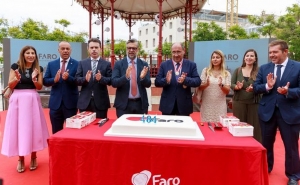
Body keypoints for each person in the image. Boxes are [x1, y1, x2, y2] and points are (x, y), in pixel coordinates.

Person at [253, 40, 300, 185]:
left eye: (275, 52)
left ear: (285, 51)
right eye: (270, 52)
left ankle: (293, 175)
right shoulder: (264, 68)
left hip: (290, 113)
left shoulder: (297, 67)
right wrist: (267, 86)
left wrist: (288, 91)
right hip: (267, 112)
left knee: (291, 146)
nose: (272, 55)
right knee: (266, 143)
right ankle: (266, 167)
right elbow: (256, 87)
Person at [1, 46, 49, 173]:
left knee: (33, 127)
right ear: (23, 54)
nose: (30, 55)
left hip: (32, 99)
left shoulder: (38, 68)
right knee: (19, 128)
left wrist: (34, 79)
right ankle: (20, 159)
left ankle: (34, 157)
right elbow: (10, 85)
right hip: (17, 99)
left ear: (35, 55)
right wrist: (17, 78)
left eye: (33, 53)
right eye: (28, 53)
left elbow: (39, 87)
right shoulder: (15, 66)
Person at [155, 42, 201, 116]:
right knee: (168, 127)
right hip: (167, 104)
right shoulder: (164, 65)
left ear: (183, 51)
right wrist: (166, 80)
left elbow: (197, 81)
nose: (176, 55)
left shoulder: (191, 65)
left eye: (178, 52)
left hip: (184, 104)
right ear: (171, 52)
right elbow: (157, 82)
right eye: (174, 52)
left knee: (183, 127)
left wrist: (185, 80)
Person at [43, 41, 79, 134]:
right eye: (63, 49)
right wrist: (54, 80)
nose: (65, 51)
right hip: (55, 105)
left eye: (67, 49)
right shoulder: (51, 64)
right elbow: (45, 81)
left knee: (71, 132)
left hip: (71, 104)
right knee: (56, 132)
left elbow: (79, 81)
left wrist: (68, 78)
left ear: (71, 50)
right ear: (58, 50)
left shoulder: (77, 64)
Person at [112, 38, 151, 118]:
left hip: (140, 104)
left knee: (140, 129)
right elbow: (114, 82)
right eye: (129, 48)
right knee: (123, 129)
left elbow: (148, 84)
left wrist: (143, 78)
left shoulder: (144, 64)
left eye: (134, 48)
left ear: (138, 50)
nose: (131, 50)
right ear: (126, 49)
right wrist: (125, 77)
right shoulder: (118, 64)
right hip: (123, 105)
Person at [75, 38, 112, 118]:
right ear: (88, 49)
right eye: (92, 48)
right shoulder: (82, 63)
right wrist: (85, 79)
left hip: (101, 102)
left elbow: (110, 80)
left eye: (96, 47)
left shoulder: (107, 64)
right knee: (85, 128)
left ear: (100, 49)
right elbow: (77, 79)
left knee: (100, 127)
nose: (94, 50)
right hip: (85, 102)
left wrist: (101, 78)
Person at [231, 49, 261, 143]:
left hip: (254, 103)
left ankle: (255, 146)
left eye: (252, 56)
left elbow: (262, 85)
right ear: (244, 58)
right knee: (239, 126)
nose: (249, 58)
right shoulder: (237, 70)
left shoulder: (259, 71)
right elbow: (231, 84)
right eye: (247, 56)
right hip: (239, 102)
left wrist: (255, 88)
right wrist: (236, 86)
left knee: (255, 127)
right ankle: (238, 146)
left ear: (255, 59)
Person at [199, 50, 231, 122]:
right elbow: (200, 87)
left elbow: (227, 91)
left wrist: (221, 85)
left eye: (217, 57)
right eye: (213, 57)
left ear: (222, 59)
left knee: (220, 128)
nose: (215, 59)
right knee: (206, 128)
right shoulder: (206, 71)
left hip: (220, 105)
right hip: (207, 104)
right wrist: (206, 84)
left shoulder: (226, 73)